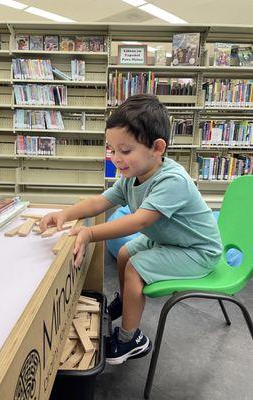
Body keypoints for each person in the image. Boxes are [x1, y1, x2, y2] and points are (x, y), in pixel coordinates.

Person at [39, 94, 222, 365]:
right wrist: (66, 213)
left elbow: (139, 222)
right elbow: (101, 201)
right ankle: (126, 306)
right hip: (170, 242)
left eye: (125, 151)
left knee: (134, 268)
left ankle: (130, 339)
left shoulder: (173, 180)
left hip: (197, 252)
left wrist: (90, 234)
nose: (115, 158)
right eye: (111, 150)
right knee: (125, 254)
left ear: (157, 148)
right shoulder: (132, 177)